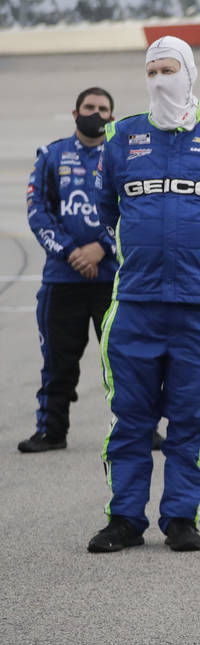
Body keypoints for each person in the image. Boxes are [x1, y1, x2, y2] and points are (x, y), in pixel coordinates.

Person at [88, 35, 200, 554]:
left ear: (189, 73)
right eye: (152, 71)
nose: (161, 79)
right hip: (135, 306)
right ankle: (124, 518)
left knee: (190, 420)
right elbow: (104, 209)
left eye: (170, 69)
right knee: (130, 420)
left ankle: (181, 517)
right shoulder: (120, 137)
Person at [19, 87, 117, 453]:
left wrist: (101, 248)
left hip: (113, 280)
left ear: (112, 117)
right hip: (62, 278)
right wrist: (72, 252)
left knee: (124, 361)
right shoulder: (51, 155)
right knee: (58, 362)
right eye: (89, 107)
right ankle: (51, 431)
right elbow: (37, 211)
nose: (95, 112)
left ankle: (140, 429)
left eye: (103, 108)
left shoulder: (123, 157)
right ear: (75, 113)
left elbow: (136, 213)